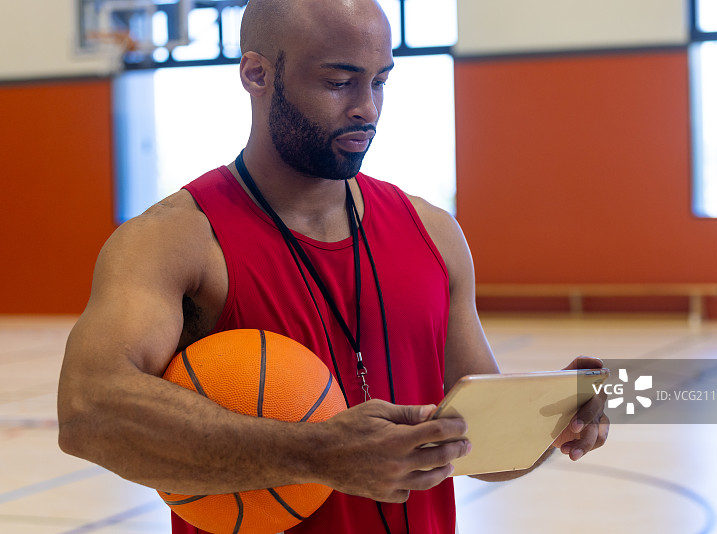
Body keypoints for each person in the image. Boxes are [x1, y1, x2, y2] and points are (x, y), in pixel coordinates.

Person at [57, 0, 610, 533]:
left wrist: (550, 418)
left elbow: (481, 446)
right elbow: (88, 409)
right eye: (339, 81)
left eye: (380, 81)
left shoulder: (434, 234)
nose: (366, 107)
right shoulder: (173, 240)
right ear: (256, 75)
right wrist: (317, 455)